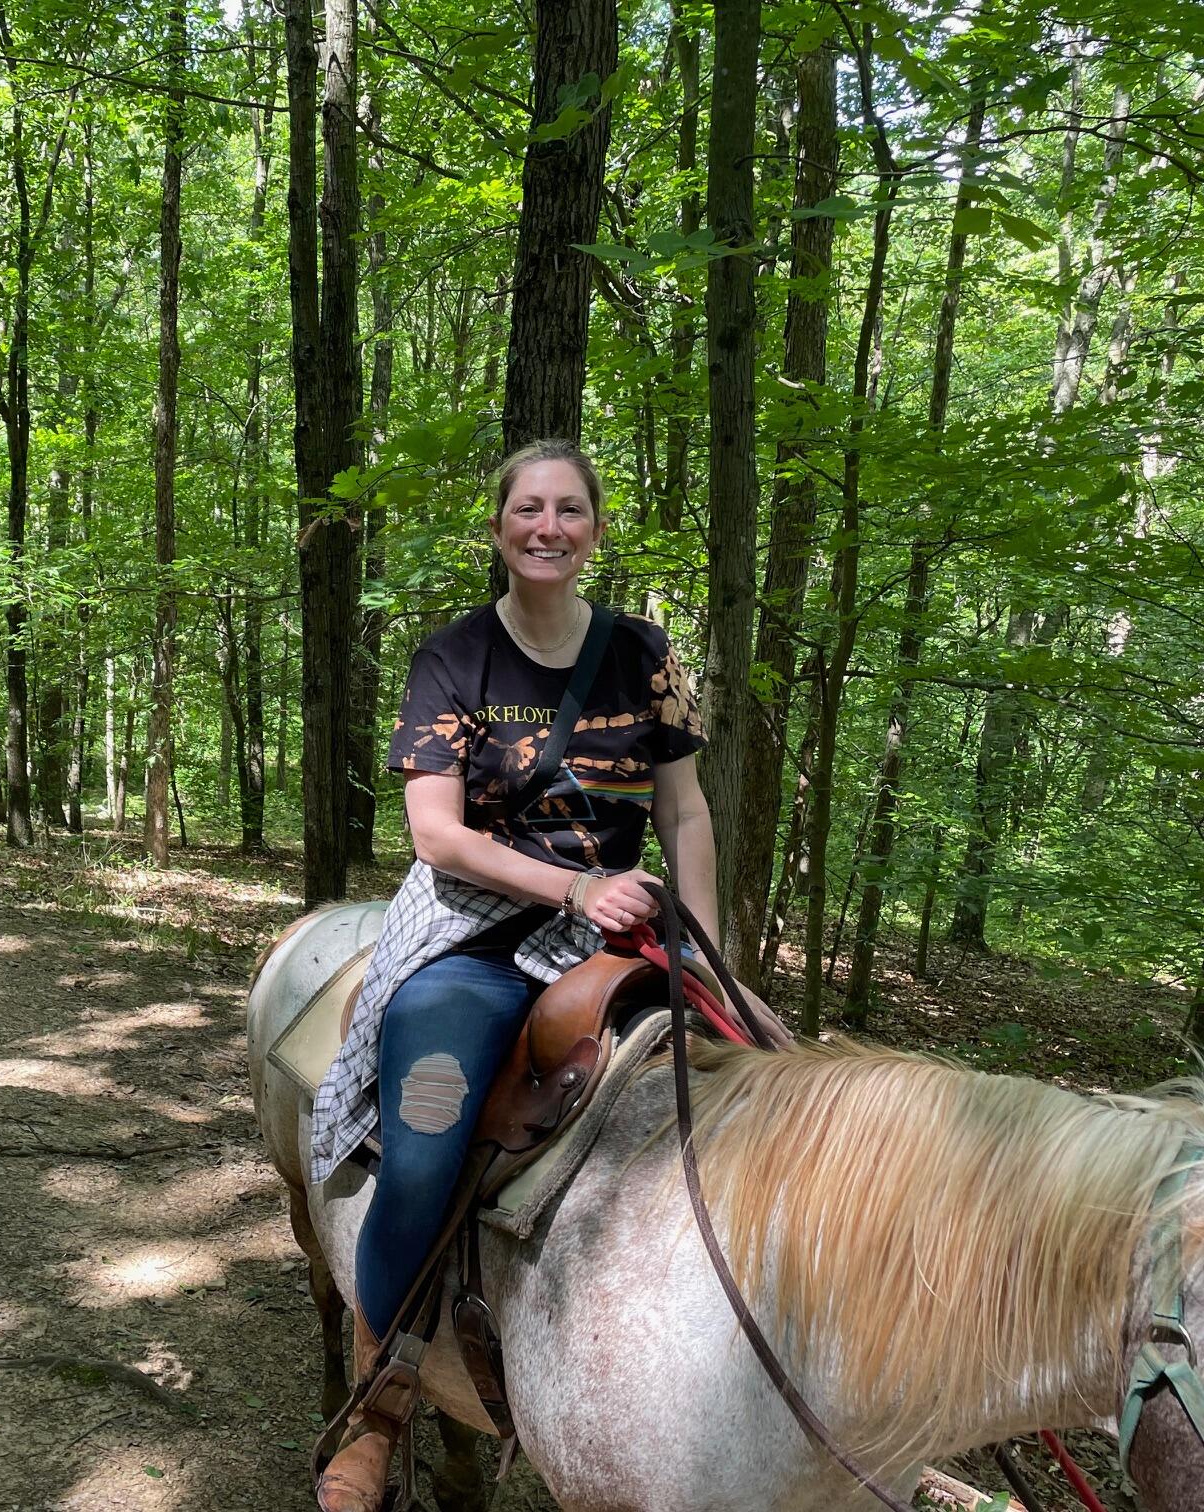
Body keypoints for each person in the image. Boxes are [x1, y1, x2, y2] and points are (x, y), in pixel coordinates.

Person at [309, 439, 754, 1511]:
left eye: (569, 510)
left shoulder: (645, 654)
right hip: (472, 931)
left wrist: (706, 945)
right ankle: (378, 1408)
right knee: (427, 1143)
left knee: (772, 1090)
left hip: (621, 930)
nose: (547, 527)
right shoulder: (452, 657)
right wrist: (573, 888)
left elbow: (686, 810)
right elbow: (436, 836)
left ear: (594, 529)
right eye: (528, 509)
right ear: (500, 526)